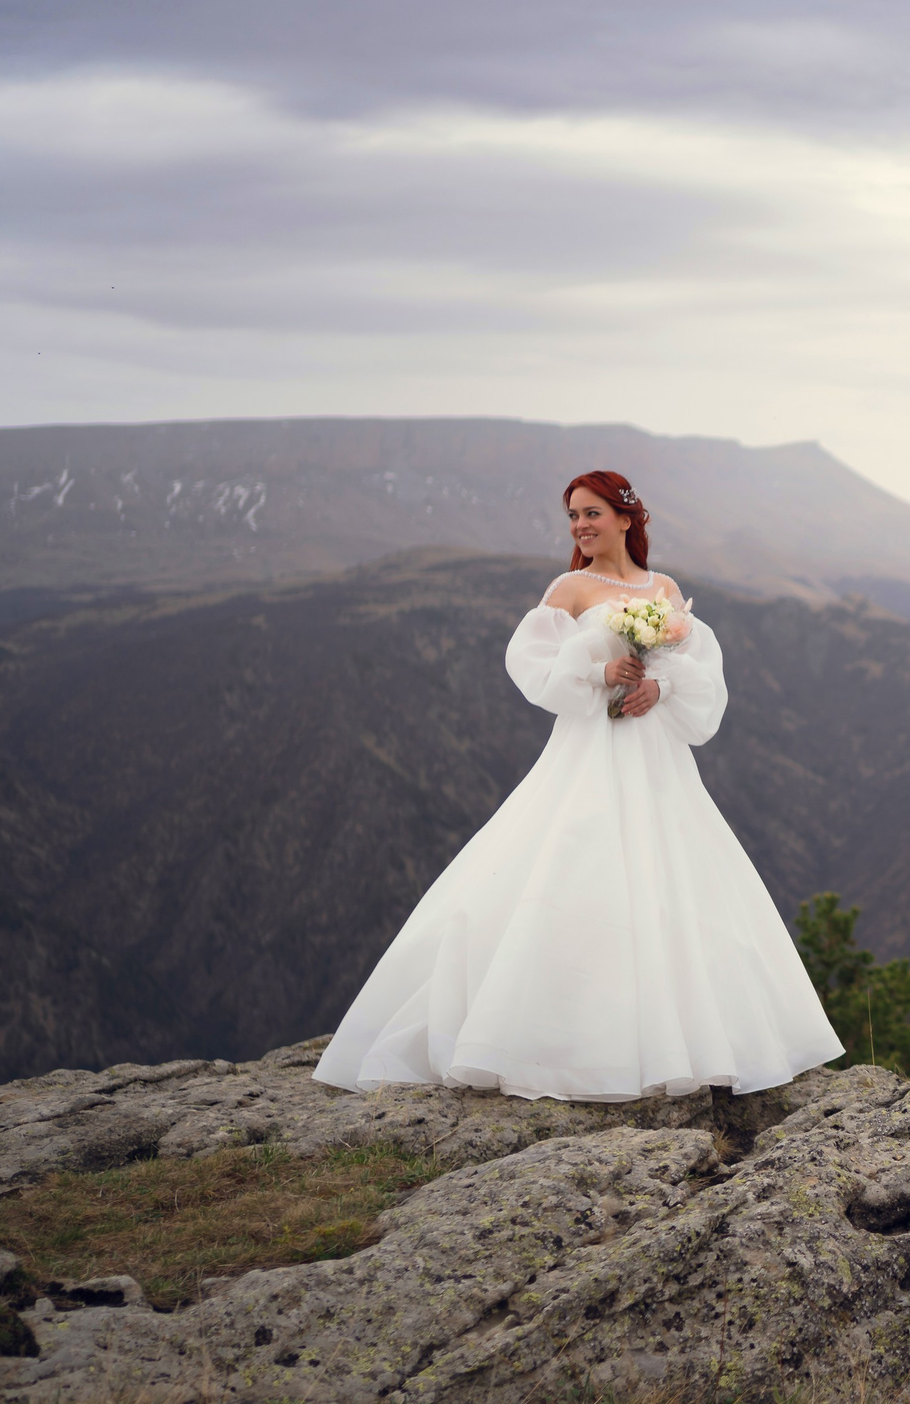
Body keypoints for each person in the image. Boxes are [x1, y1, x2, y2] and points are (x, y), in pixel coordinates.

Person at [314, 472, 842, 1101]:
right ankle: (563, 1042)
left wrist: (659, 685)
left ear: (626, 518)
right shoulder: (569, 588)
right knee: (575, 865)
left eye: (591, 513)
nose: (580, 526)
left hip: (656, 754)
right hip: (591, 746)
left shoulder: (664, 590)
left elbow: (697, 670)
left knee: (672, 877)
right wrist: (600, 671)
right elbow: (532, 667)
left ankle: (686, 1041)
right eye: (572, 516)